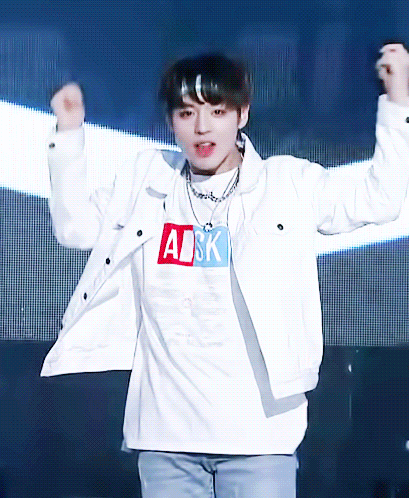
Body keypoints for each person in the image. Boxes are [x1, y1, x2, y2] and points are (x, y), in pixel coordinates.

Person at [41, 44, 409, 498]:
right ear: (171, 121)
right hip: (165, 435)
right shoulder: (146, 178)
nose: (202, 127)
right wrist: (69, 132)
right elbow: (76, 228)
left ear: (242, 115)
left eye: (217, 111)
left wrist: (398, 102)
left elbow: (380, 199)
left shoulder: (287, 184)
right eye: (187, 113)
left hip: (259, 436)